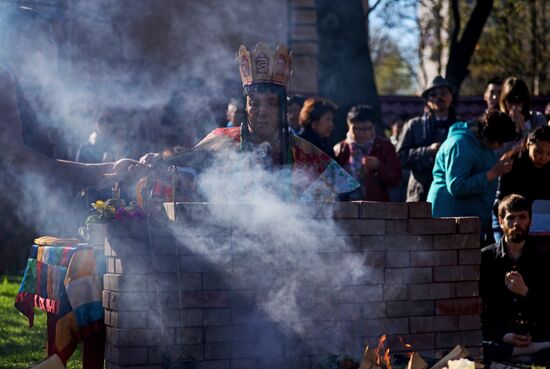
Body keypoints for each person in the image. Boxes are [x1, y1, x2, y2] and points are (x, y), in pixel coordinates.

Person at [136, 42, 359, 204]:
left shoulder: (303, 151)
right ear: (246, 105)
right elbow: (186, 162)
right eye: (253, 103)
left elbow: (349, 192)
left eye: (271, 103)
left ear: (282, 110)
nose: (261, 111)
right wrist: (158, 162)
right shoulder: (222, 139)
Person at [481, 194, 550, 366]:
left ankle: (514, 356)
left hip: (536, 333)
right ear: (501, 221)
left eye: (522, 217)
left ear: (530, 220)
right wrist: (503, 335)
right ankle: (526, 354)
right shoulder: (486, 258)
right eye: (511, 218)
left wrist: (526, 292)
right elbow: (479, 311)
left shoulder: (543, 258)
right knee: (475, 346)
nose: (516, 224)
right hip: (500, 335)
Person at [427, 110, 517, 240]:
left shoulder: (484, 144)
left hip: (467, 223)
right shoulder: (459, 145)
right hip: (448, 220)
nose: (501, 146)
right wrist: (493, 173)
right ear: (486, 135)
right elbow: (457, 186)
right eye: (499, 142)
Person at [396, 75, 458, 201]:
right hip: (419, 192)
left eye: (443, 93)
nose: (439, 97)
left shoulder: (460, 126)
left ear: (451, 96)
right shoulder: (414, 125)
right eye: (433, 94)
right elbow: (400, 157)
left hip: (452, 193)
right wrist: (428, 150)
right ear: (427, 100)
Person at [492, 126, 550, 242]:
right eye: (539, 152)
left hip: (541, 224)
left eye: (549, 154)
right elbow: (499, 202)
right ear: (528, 144)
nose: (543, 157)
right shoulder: (512, 165)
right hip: (511, 221)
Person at [334, 105, 401, 201]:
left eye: (367, 129)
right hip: (346, 207)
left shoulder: (385, 146)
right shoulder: (340, 149)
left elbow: (396, 180)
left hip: (376, 207)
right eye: (357, 129)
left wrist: (379, 167)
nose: (362, 133)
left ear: (373, 127)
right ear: (349, 126)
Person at [497, 77, 547, 157]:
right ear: (504, 101)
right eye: (510, 101)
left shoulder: (537, 118)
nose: (514, 107)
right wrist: (514, 130)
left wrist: (523, 128)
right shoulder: (498, 122)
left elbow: (541, 147)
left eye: (518, 101)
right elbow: (498, 152)